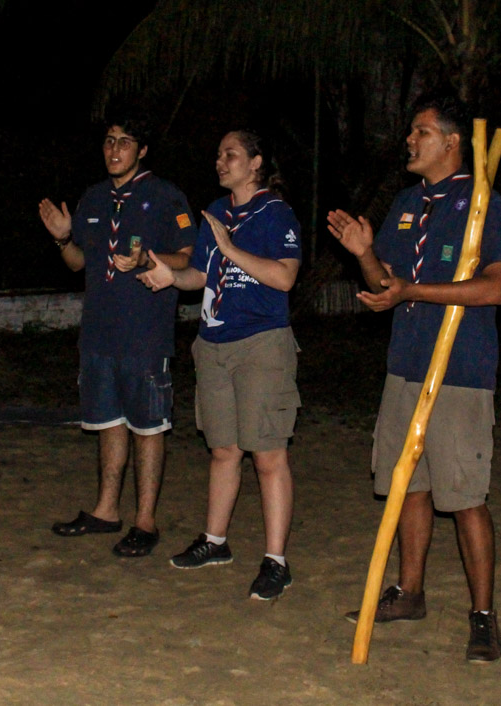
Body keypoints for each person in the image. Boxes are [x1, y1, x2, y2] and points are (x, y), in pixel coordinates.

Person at [326, 94, 501, 663]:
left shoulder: (486, 205)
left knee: (464, 497)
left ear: (453, 142)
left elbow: (495, 289)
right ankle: (409, 593)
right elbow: (385, 282)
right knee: (406, 483)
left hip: (459, 373)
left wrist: (412, 292)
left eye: (421, 132)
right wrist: (365, 255)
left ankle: (483, 616)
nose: (409, 140)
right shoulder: (407, 204)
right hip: (406, 366)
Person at [139, 129, 302, 600]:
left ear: (256, 163)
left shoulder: (276, 213)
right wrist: (171, 277)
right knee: (224, 450)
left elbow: (284, 277)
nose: (220, 161)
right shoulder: (215, 213)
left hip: (260, 345)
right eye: (217, 154)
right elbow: (202, 275)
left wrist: (230, 248)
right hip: (213, 344)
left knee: (268, 454)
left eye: (231, 154)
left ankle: (276, 561)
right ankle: (215, 541)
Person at [39, 112, 196, 558]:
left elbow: (189, 258)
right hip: (99, 333)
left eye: (125, 142)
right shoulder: (92, 198)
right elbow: (76, 263)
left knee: (148, 426)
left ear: (142, 150)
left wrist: (149, 259)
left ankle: (145, 520)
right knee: (107, 422)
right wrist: (61, 239)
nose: (114, 150)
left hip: (145, 333)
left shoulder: (165, 197)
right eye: (109, 141)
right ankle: (106, 510)